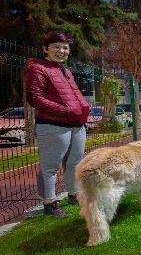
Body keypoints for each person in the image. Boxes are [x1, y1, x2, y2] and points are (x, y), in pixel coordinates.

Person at [25, 31, 91, 217]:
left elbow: (72, 96)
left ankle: (73, 195)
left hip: (76, 125)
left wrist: (83, 109)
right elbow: (35, 98)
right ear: (45, 49)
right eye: (56, 47)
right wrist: (66, 111)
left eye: (65, 47)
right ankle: (50, 204)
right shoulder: (38, 68)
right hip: (53, 125)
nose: (61, 51)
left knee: (75, 163)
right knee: (50, 167)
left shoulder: (65, 70)